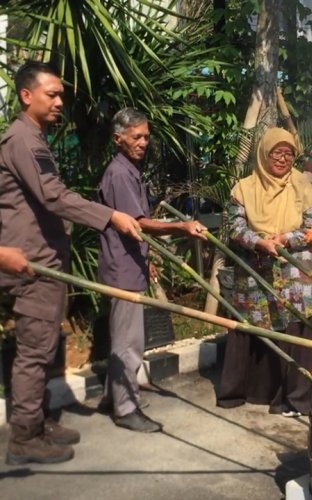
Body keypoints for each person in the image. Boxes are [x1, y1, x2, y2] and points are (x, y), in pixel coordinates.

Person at [0, 61, 141, 465]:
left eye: (61, 94)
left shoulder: (34, 138)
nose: (61, 101)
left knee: (44, 347)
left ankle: (38, 418)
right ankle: (24, 436)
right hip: (32, 264)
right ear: (27, 95)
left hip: (45, 260)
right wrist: (110, 215)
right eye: (52, 94)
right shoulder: (22, 140)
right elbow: (54, 197)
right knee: (35, 350)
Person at [97, 108, 207, 433]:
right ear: (118, 139)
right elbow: (139, 223)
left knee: (126, 336)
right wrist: (181, 226)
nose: (144, 142)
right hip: (121, 269)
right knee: (128, 341)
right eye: (137, 137)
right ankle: (125, 408)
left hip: (129, 264)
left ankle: (112, 396)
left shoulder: (129, 170)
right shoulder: (119, 173)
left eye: (146, 136)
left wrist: (146, 256)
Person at [216, 127, 312, 417]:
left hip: (295, 271)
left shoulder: (303, 185)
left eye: (289, 153)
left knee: (300, 320)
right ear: (264, 154)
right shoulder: (244, 188)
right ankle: (248, 391)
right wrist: (259, 241)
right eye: (277, 152)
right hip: (256, 269)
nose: (283, 159)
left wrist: (287, 238)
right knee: (250, 322)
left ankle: (295, 397)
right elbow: (234, 227)